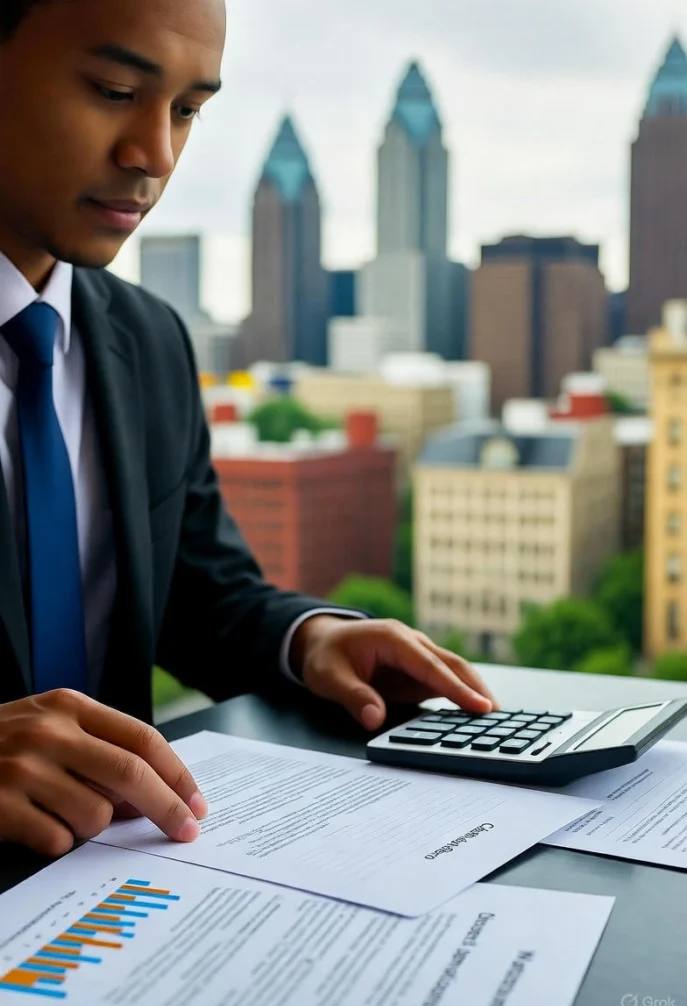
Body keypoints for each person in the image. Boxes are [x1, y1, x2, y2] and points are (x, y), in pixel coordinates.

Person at [0, 0, 497, 858]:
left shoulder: (148, 340)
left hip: (111, 903)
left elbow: (196, 593)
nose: (154, 155)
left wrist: (310, 640)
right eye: (115, 89)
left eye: (188, 110)